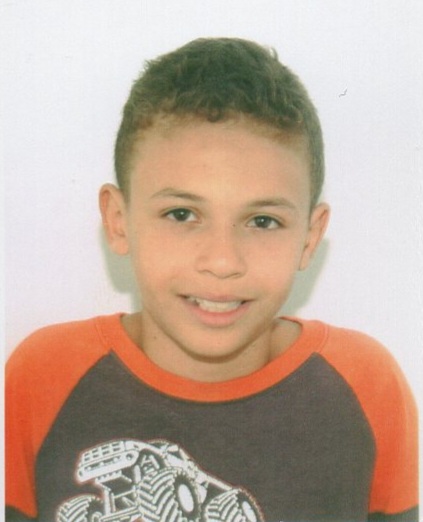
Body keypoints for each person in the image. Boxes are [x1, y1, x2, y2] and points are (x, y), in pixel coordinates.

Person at [5, 38, 418, 522]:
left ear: (310, 237)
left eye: (262, 221)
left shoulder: (364, 387)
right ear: (118, 221)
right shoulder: (43, 378)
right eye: (182, 214)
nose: (222, 261)